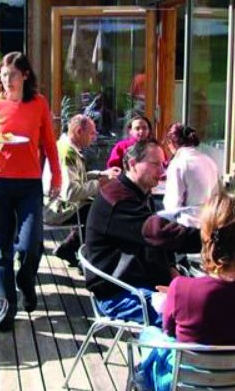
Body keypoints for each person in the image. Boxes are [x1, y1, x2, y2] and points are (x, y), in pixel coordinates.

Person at [137, 191, 235, 390]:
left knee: (148, 335)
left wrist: (170, 299)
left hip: (188, 384)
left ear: (206, 235)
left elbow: (169, 332)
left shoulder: (181, 288)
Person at [0, 51, 61, 331]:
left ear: (24, 75)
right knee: (0, 250)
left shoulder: (38, 103)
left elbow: (49, 143)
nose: (5, 79)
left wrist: (57, 177)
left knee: (30, 244)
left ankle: (26, 279)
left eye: (11, 74)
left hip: (29, 184)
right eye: (2, 74)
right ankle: (6, 309)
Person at [84, 138, 200, 324]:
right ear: (132, 164)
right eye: (155, 164)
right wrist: (212, 238)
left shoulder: (139, 192)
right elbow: (159, 233)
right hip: (117, 293)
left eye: (163, 164)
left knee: (195, 305)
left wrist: (171, 267)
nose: (162, 171)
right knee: (184, 317)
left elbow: (156, 241)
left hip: (139, 281)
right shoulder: (118, 199)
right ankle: (164, 353)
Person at [44, 114, 120, 266]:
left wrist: (101, 174)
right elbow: (71, 193)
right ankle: (89, 260)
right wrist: (101, 183)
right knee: (99, 211)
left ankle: (69, 249)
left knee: (94, 209)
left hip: (57, 203)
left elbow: (78, 179)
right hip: (55, 208)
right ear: (79, 131)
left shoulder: (67, 147)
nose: (95, 136)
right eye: (92, 133)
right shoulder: (67, 153)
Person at [162, 123, 219, 211]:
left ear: (171, 143)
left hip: (189, 219)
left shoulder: (178, 163)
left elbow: (172, 205)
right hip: (210, 217)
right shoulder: (210, 161)